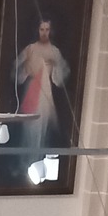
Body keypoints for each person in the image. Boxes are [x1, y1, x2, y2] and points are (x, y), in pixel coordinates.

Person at [14, 17, 70, 166]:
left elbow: (59, 79)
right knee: (28, 132)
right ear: (37, 30)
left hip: (46, 98)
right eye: (42, 29)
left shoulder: (54, 51)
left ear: (51, 31)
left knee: (42, 133)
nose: (44, 33)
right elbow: (16, 73)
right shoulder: (30, 49)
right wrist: (27, 69)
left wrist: (54, 67)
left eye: (47, 29)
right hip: (30, 95)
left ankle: (37, 164)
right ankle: (24, 164)